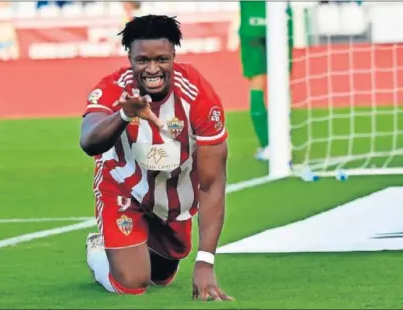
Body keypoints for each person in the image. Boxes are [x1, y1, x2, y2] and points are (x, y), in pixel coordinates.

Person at [79, 15, 233, 301]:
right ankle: (99, 250)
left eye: (162, 59)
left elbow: (212, 183)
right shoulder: (114, 88)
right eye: (142, 61)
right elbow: (88, 142)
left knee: (160, 276)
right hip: (123, 186)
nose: (152, 69)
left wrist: (205, 262)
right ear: (130, 57)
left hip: (175, 193)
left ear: (174, 54)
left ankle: (137, 246)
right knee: (133, 282)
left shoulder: (197, 94)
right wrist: (125, 114)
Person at [239, 1, 293, 161]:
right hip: (280, 21)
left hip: (251, 22)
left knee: (257, 83)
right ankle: (283, 142)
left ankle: (268, 145)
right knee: (281, 83)